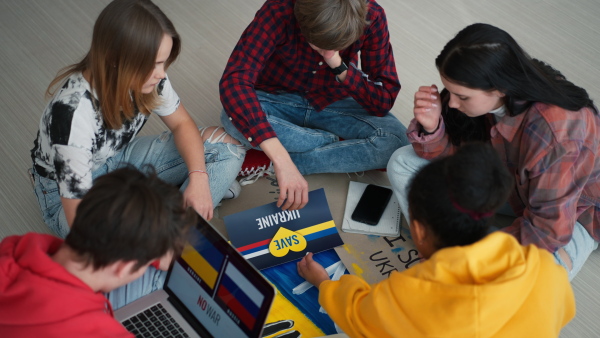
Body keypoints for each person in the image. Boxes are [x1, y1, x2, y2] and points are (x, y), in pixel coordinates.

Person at [387, 23, 599, 280]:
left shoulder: (556, 132)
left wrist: (474, 254)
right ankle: (443, 252)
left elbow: (547, 232)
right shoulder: (495, 97)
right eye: (450, 92)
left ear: (499, 88)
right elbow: (461, 160)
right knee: (402, 162)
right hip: (511, 186)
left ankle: (452, 257)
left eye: (462, 97)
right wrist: (433, 129)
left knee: (540, 279)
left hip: (576, 212)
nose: (452, 103)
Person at [298, 143, 575, 337]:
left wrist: (324, 283)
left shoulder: (409, 295)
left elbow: (358, 315)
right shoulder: (545, 268)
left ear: (417, 230)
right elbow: (563, 312)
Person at [30, 0, 245, 238]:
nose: (162, 74)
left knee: (228, 145)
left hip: (118, 161)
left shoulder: (150, 79)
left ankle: (169, 216)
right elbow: (81, 221)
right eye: (153, 65)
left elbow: (183, 124)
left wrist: (199, 177)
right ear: (114, 59)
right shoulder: (71, 116)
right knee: (108, 238)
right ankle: (172, 221)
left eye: (162, 63)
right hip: (68, 199)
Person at [219, 0, 408, 210]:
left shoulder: (372, 16)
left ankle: (277, 161)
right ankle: (330, 142)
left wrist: (339, 66)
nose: (326, 52)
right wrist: (283, 159)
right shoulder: (278, 9)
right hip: (277, 96)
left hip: (335, 99)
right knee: (231, 117)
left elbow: (383, 100)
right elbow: (235, 81)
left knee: (397, 141)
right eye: (318, 45)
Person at [0, 166, 197, 336]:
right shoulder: (102, 332)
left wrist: (149, 254)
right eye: (142, 265)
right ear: (123, 267)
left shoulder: (15, 247)